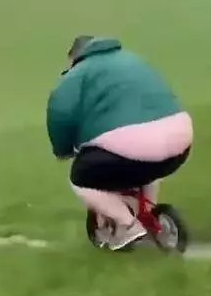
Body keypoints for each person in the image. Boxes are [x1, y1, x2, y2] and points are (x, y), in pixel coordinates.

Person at [46, 36, 193, 250]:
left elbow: (60, 112)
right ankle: (149, 212)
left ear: (75, 57)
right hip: (179, 137)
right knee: (147, 167)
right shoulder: (132, 60)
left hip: (133, 143)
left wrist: (63, 150)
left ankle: (129, 226)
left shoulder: (79, 73)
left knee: (81, 180)